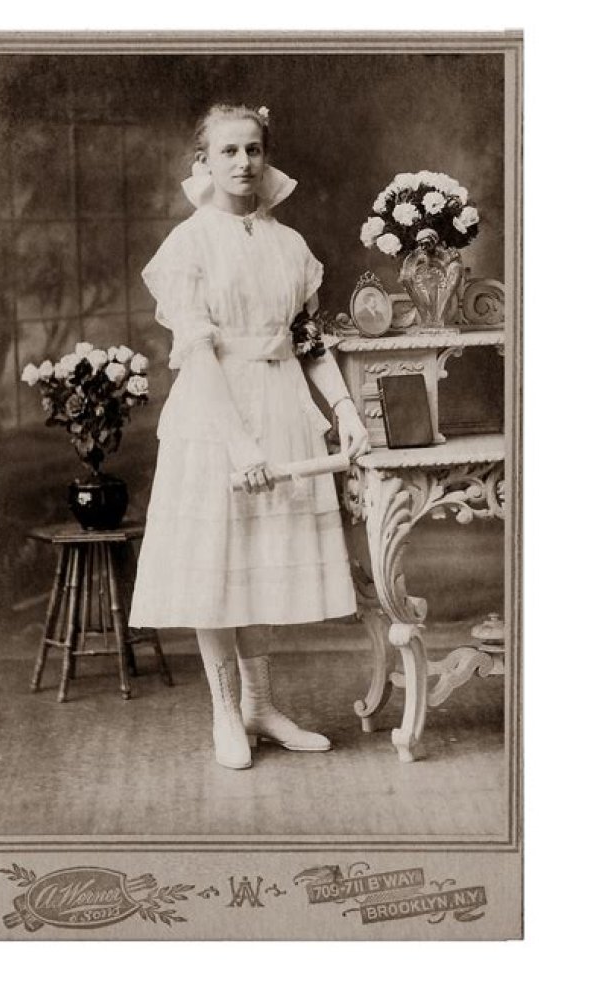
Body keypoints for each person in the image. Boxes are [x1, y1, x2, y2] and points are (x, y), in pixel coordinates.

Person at [129, 103, 368, 769]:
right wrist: (239, 444)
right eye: (229, 151)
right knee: (216, 560)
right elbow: (199, 355)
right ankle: (225, 712)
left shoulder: (290, 245)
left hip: (282, 404)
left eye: (253, 150)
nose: (243, 162)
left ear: (266, 157)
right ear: (203, 162)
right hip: (215, 416)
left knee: (259, 558)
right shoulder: (190, 244)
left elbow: (308, 339)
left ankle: (262, 706)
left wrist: (345, 410)